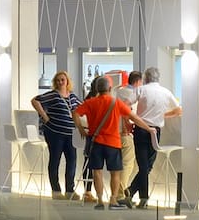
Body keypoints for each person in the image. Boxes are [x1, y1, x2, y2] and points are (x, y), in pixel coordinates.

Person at [73, 75, 140, 210]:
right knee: (115, 172)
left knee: (96, 171)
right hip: (113, 142)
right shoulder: (115, 102)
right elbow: (133, 117)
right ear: (110, 88)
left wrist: (80, 129)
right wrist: (149, 128)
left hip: (95, 141)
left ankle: (99, 200)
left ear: (97, 89)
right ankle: (113, 200)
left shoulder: (90, 102)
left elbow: (75, 113)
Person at [127, 69, 182, 208]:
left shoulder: (141, 90)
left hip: (141, 129)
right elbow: (178, 110)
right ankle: (140, 197)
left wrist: (131, 118)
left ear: (145, 78)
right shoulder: (166, 92)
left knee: (144, 166)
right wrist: (163, 115)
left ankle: (134, 192)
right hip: (155, 131)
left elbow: (126, 104)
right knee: (147, 166)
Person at [33, 72, 82, 200]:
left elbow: (82, 107)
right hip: (55, 133)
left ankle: (70, 190)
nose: (61, 82)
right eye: (58, 80)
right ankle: (56, 190)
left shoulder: (72, 96)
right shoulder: (53, 95)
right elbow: (35, 101)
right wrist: (45, 117)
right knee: (55, 160)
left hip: (70, 133)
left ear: (67, 81)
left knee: (72, 161)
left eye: (63, 80)